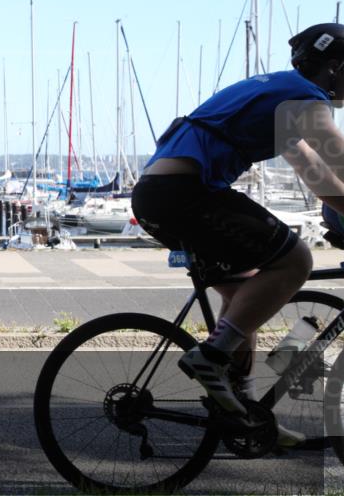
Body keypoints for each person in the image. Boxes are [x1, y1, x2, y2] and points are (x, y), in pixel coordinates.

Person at [131, 23, 344, 445]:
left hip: (159, 196)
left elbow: (317, 175)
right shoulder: (307, 98)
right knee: (295, 260)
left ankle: (245, 417)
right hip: (186, 193)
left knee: (245, 297)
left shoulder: (280, 95)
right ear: (336, 67)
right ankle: (210, 356)